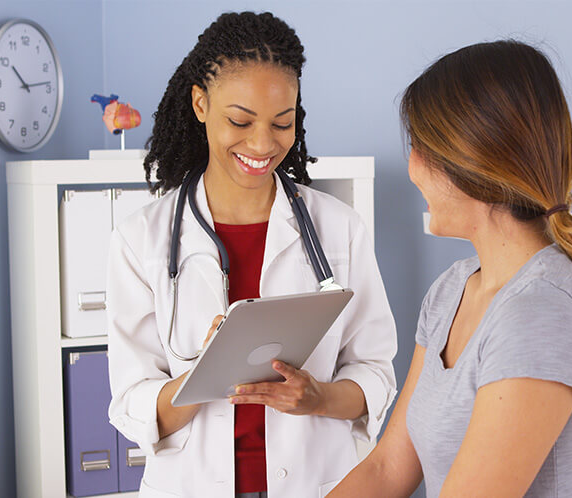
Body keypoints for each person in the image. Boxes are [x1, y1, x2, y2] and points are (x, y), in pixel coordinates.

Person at [329, 40, 572, 498]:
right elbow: (389, 469)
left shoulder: (542, 312)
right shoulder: (452, 290)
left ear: (472, 162)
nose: (411, 166)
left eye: (420, 147)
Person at [106, 12, 397, 498]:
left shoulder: (339, 228)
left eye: (282, 123)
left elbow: (374, 374)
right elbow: (132, 403)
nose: (262, 144)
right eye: (240, 121)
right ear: (200, 103)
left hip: (319, 482)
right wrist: (206, 374)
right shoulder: (140, 240)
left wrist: (318, 397)